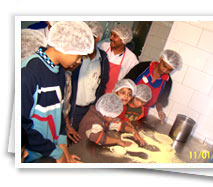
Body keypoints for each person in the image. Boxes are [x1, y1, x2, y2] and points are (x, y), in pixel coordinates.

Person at [21, 21, 94, 163]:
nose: (79, 61)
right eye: (79, 55)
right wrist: (55, 153)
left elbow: (59, 114)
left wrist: (64, 153)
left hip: (50, 153)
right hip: (32, 157)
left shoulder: (60, 72)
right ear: (65, 47)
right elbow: (22, 127)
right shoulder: (28, 73)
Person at [66, 21, 109, 144]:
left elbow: (102, 84)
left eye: (91, 37)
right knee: (69, 140)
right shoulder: (76, 56)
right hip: (72, 109)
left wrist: (96, 107)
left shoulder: (102, 58)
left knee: (84, 142)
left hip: (90, 109)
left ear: (98, 39)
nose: (87, 40)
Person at [124, 49, 182, 124]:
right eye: (164, 66)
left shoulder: (167, 82)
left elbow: (161, 100)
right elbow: (124, 84)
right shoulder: (142, 67)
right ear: (160, 59)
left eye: (169, 70)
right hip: (125, 106)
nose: (165, 71)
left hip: (141, 114)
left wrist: (160, 111)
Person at [78, 93, 143, 146]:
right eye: (112, 117)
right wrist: (118, 141)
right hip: (84, 147)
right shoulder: (93, 120)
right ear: (105, 113)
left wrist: (134, 131)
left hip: (92, 145)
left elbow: (119, 124)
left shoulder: (103, 116)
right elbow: (99, 138)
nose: (114, 119)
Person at [99, 24, 139, 93]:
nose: (111, 37)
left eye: (115, 36)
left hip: (111, 94)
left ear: (124, 40)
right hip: (94, 89)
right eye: (111, 34)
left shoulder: (131, 59)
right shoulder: (102, 46)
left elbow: (130, 81)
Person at [112, 79, 146, 145]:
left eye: (129, 95)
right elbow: (112, 124)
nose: (126, 97)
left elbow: (120, 120)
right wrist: (132, 131)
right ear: (115, 92)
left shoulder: (123, 107)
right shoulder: (109, 105)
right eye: (123, 93)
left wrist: (126, 121)